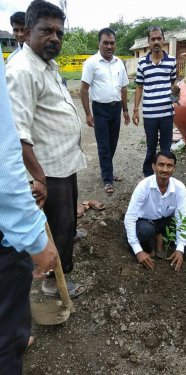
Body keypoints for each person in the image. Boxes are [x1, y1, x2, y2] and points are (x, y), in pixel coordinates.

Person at [6, 0, 87, 298]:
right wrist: (39, 178)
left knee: (68, 222)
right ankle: (54, 281)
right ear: (27, 32)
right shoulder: (22, 70)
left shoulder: (44, 64)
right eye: (47, 30)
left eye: (59, 33)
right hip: (49, 169)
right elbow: (19, 134)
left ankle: (66, 248)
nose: (55, 38)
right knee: (59, 225)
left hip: (63, 162)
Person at [0, 47, 57, 375]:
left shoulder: (47, 68)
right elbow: (5, 154)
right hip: (5, 230)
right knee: (6, 340)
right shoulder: (21, 69)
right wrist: (34, 236)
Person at [124, 150, 186, 271]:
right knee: (145, 232)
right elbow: (130, 217)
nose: (165, 169)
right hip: (146, 221)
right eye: (161, 165)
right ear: (153, 167)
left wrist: (180, 249)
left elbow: (182, 217)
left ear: (174, 168)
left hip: (166, 221)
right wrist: (138, 251)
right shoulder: (143, 187)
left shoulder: (179, 188)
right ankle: (151, 245)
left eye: (169, 165)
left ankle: (163, 238)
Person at [80, 27, 130, 195]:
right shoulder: (91, 63)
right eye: (105, 43)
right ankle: (107, 178)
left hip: (116, 109)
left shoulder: (119, 63)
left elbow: (123, 88)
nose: (109, 46)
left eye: (112, 43)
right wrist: (88, 113)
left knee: (112, 143)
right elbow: (83, 89)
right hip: (100, 109)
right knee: (103, 145)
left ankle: (107, 171)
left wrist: (125, 110)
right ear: (99, 43)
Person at [132, 26, 179, 177]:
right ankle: (148, 175)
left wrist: (175, 99)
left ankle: (166, 175)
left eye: (159, 38)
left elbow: (173, 87)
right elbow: (139, 87)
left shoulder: (171, 61)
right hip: (150, 114)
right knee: (151, 147)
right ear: (148, 42)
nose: (156, 41)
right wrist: (135, 110)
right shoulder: (142, 63)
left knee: (166, 148)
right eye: (153, 39)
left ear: (163, 40)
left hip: (167, 113)